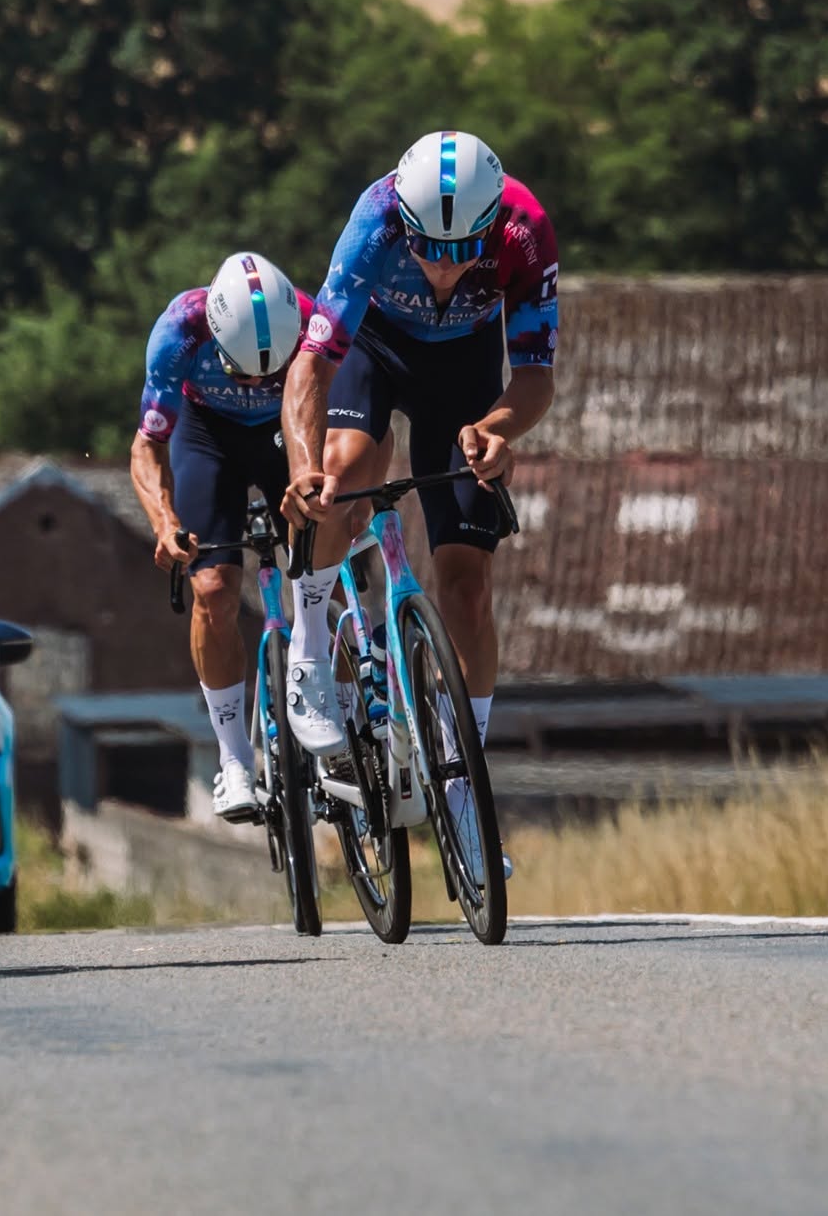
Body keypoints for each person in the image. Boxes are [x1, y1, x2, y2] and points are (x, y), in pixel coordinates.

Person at [280, 131, 558, 886]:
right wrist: (303, 466)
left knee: (466, 583)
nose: (440, 266)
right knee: (343, 475)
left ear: (493, 226)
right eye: (426, 248)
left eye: (460, 249)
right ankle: (309, 644)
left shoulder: (525, 232)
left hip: (464, 373)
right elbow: (312, 362)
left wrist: (497, 429)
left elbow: (535, 373)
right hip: (376, 354)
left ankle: (464, 784)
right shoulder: (374, 220)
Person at [129, 252, 310, 821]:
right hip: (207, 433)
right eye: (242, 369)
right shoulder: (180, 332)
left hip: (288, 423)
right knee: (212, 590)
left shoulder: (312, 319)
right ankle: (234, 761)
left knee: (329, 556)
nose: (256, 380)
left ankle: (342, 687)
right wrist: (164, 521)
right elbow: (147, 446)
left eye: (267, 368)